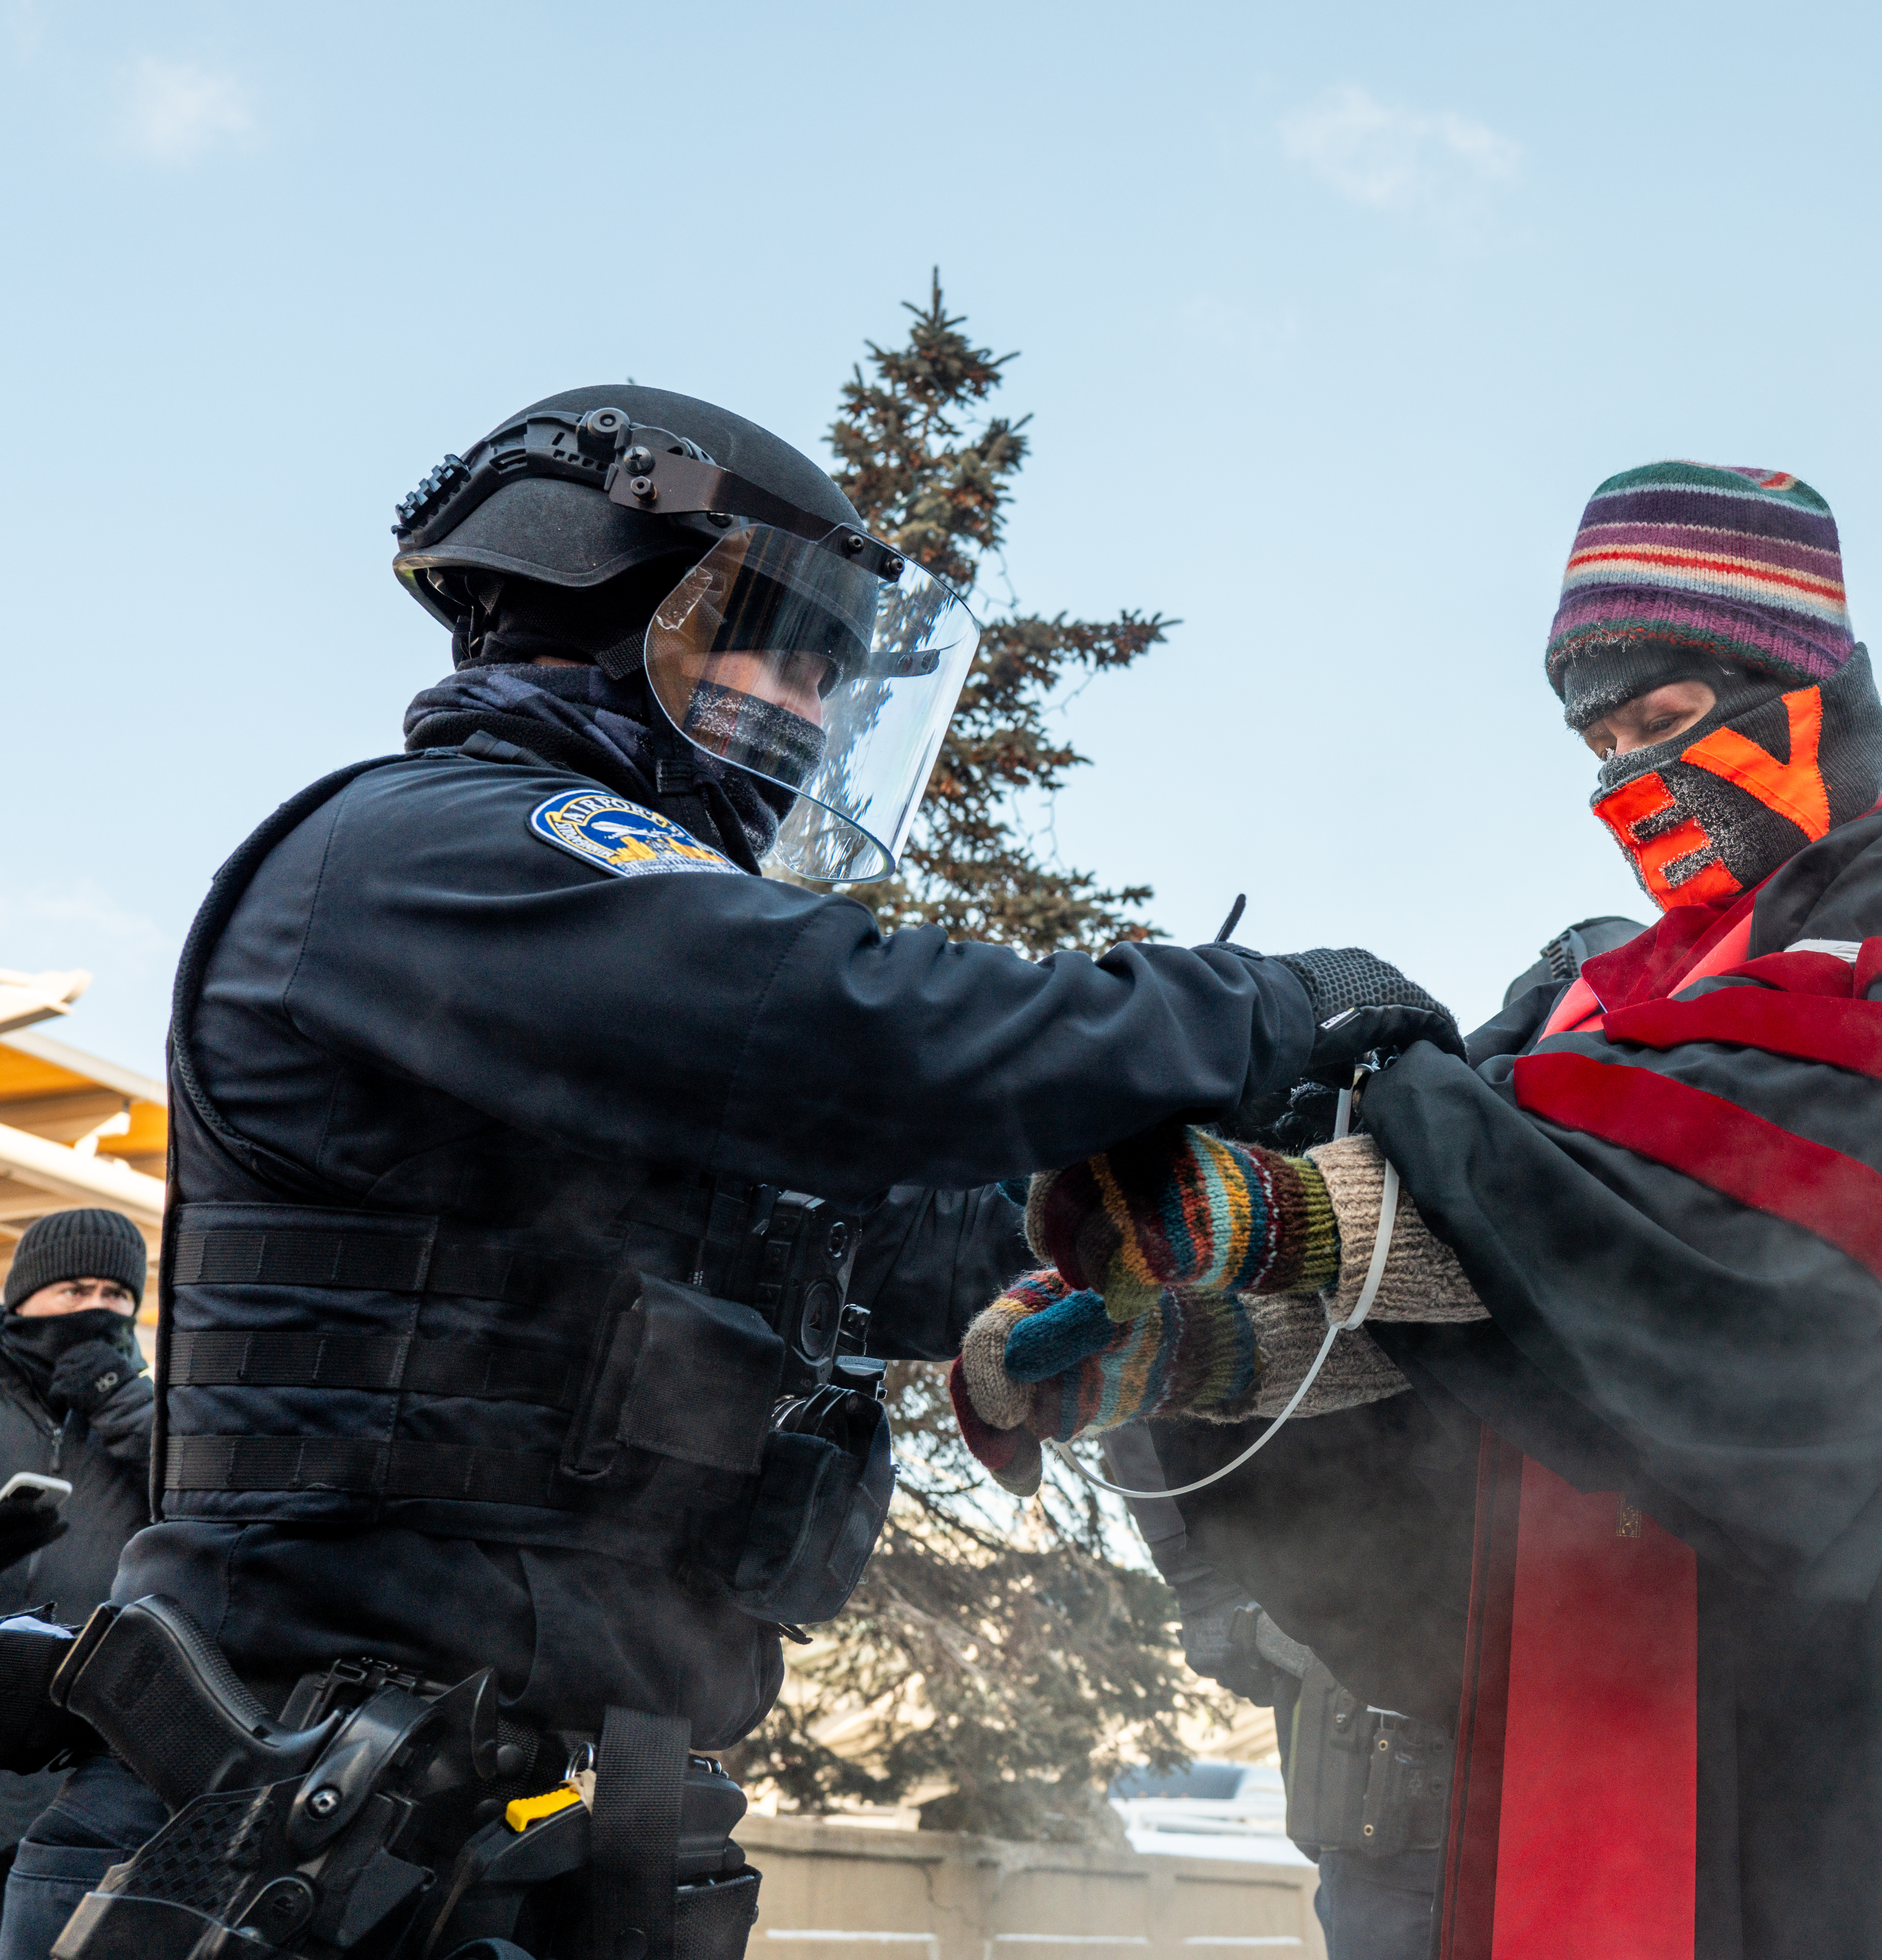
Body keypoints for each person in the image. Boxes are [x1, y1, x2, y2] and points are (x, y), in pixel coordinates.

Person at [0, 386, 1457, 1960]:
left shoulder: (634, 999)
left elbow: (917, 1235)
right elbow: (868, 1035)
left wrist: (1144, 1283)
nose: (815, 715)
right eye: (785, 647)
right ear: (599, 581)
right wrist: (1261, 1007)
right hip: (285, 1844)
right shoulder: (442, 858)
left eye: (837, 677)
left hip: (551, 1849)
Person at [952, 461, 1882, 1957]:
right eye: (1599, 741)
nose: (1628, 777)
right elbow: (1537, 1315)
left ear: (1800, 680)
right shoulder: (1619, 992)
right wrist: (1214, 1346)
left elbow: (1743, 1235)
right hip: (1645, 1762)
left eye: (1666, 720)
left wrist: (1309, 1202)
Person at [0, 1212, 157, 1871]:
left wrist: (124, 1402)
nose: (97, 1307)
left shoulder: (163, 1418)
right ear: (23, 1299)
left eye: (116, 1295)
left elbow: (211, 1506)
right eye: (76, 1288)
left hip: (86, 1765)